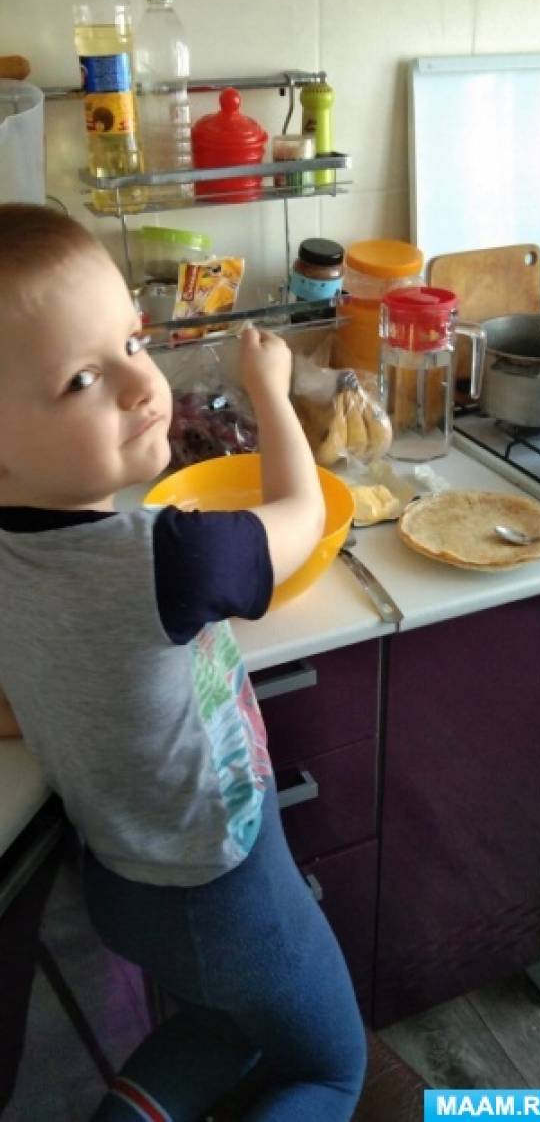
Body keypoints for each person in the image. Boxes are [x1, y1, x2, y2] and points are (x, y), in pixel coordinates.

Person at [0, 204, 366, 1121]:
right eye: (83, 378)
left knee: (224, 1018)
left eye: (131, 340)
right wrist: (269, 389)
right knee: (330, 1068)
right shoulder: (168, 559)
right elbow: (304, 513)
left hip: (123, 883)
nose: (143, 382)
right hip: (228, 888)